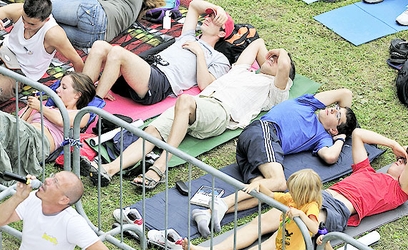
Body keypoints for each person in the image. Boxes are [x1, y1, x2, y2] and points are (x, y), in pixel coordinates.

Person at [182, 128, 408, 250]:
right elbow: (358, 134)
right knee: (265, 221)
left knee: (286, 235)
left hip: (336, 209)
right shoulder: (366, 170)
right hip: (318, 195)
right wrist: (393, 143)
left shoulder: (399, 191)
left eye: (401, 162)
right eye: (399, 158)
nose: (398, 159)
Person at [80, 37, 295, 187]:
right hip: (198, 104)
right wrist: (270, 55)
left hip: (220, 111)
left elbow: (284, 66)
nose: (272, 58)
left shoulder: (274, 91)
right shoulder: (242, 69)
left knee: (184, 101)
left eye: (275, 61)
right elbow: (256, 44)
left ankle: (160, 166)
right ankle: (109, 169)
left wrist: (281, 54)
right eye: (271, 57)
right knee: (152, 132)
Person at [192, 88, 357, 238]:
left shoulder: (322, 138)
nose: (333, 109)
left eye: (337, 115)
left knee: (265, 195)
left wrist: (341, 138)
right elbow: (345, 94)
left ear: (334, 130)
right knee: (279, 182)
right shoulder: (309, 103)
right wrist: (342, 121)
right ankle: (222, 203)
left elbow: (330, 156)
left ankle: (207, 213)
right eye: (336, 107)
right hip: (264, 131)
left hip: (255, 150)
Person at [82, 0, 234, 104]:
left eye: (215, 19)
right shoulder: (188, 36)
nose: (207, 18)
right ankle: (80, 95)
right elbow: (194, 5)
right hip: (146, 69)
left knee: (117, 53)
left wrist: (199, 54)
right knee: (99, 46)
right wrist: (218, 9)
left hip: (160, 82)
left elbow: (206, 85)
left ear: (221, 33)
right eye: (208, 15)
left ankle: (93, 107)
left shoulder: (218, 58)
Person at [0, 171, 128, 250]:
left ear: (64, 200)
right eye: (53, 176)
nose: (47, 180)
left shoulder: (72, 223)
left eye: (55, 182)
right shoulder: (32, 198)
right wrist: (17, 197)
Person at [0, 71, 95, 185]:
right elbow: (16, 125)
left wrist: (40, 107)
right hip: (22, 136)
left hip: (37, 142)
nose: (57, 90)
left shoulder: (81, 114)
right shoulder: (49, 109)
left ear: (77, 94)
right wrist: (29, 108)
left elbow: (61, 120)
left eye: (63, 87)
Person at [0, 0, 84, 103]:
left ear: (46, 20)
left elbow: (77, 61)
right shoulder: (19, 10)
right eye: (24, 20)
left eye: (32, 24)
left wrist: (77, 89)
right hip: (1, 50)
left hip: (18, 72)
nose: (26, 26)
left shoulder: (53, 34)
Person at [239, 169, 322, 250]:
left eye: (293, 191)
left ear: (303, 193)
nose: (290, 193)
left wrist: (301, 214)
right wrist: (259, 185)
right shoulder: (291, 198)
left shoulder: (311, 206)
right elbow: (271, 195)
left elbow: (315, 228)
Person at [51, 0, 165, 48]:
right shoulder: (136, 8)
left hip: (94, 14)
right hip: (94, 38)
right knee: (43, 25)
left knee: (39, 7)